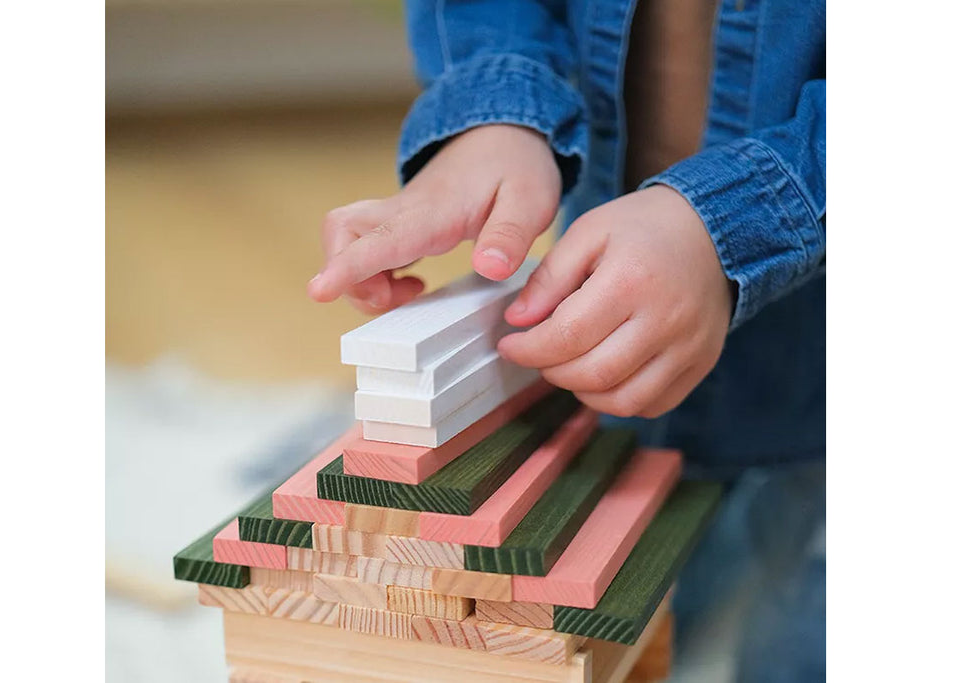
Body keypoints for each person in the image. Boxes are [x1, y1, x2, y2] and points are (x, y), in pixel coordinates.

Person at [309, 1, 825, 680]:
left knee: (800, 642)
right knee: (637, 613)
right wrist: (497, 108)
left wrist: (732, 222)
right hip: (635, 361)